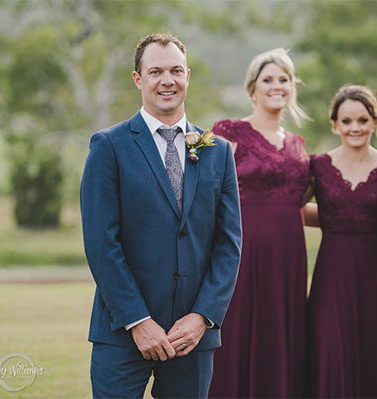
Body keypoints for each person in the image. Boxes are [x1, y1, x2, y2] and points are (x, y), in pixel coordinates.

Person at [79, 33, 242, 399]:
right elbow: (101, 243)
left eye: (175, 70)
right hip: (122, 332)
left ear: (188, 76)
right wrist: (138, 321)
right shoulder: (109, 146)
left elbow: (229, 244)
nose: (167, 80)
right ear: (138, 79)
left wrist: (202, 317)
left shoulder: (218, 151)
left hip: (192, 337)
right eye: (155, 71)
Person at [209, 48, 312, 398]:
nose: (277, 86)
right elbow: (205, 194)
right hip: (243, 251)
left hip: (289, 257)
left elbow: (296, 205)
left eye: (284, 79)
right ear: (253, 88)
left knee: (282, 331)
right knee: (239, 329)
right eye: (268, 79)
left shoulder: (298, 145)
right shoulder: (228, 132)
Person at [304, 85, 377, 397]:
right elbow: (297, 208)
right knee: (332, 344)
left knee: (374, 344)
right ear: (335, 124)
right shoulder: (318, 166)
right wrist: (335, 221)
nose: (354, 128)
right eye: (346, 121)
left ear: (375, 122)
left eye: (362, 120)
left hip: (374, 271)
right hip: (331, 271)